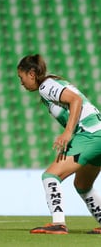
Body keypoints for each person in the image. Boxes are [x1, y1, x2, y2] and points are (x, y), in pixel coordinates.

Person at [17, 54, 101, 234]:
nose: (21, 83)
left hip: (90, 134)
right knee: (83, 185)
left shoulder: (46, 86)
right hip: (96, 135)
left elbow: (75, 100)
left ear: (31, 73)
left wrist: (68, 132)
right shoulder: (53, 83)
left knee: (50, 176)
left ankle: (58, 224)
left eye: (21, 77)